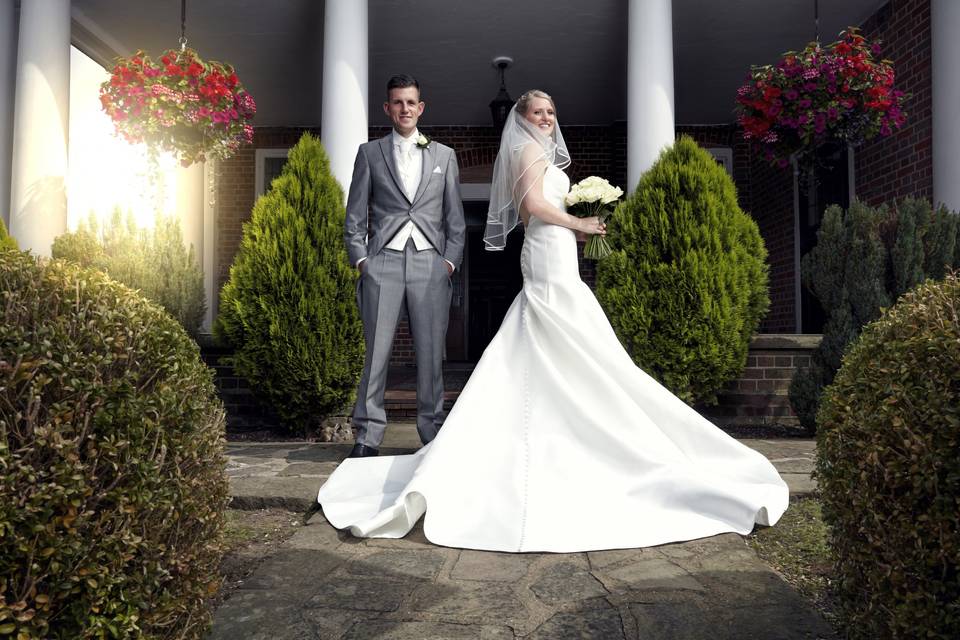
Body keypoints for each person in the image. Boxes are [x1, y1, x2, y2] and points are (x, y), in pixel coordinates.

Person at [319, 90, 789, 552]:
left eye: (551, 112)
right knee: (400, 352)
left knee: (565, 342)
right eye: (538, 112)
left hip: (544, 254)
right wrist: (579, 223)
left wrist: (575, 224)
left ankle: (560, 430)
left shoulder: (511, 154)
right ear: (521, 118)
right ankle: (370, 435)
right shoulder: (519, 148)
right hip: (527, 255)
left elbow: (464, 216)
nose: (546, 118)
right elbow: (534, 209)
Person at [343, 74, 466, 458]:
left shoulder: (444, 156)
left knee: (431, 354)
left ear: (421, 107)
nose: (405, 109)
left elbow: (454, 219)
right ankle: (367, 436)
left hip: (430, 263)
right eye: (397, 102)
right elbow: (355, 213)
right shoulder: (370, 153)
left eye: (411, 102)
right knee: (376, 352)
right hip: (384, 262)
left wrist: (449, 261)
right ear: (387, 108)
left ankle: (431, 432)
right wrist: (362, 260)